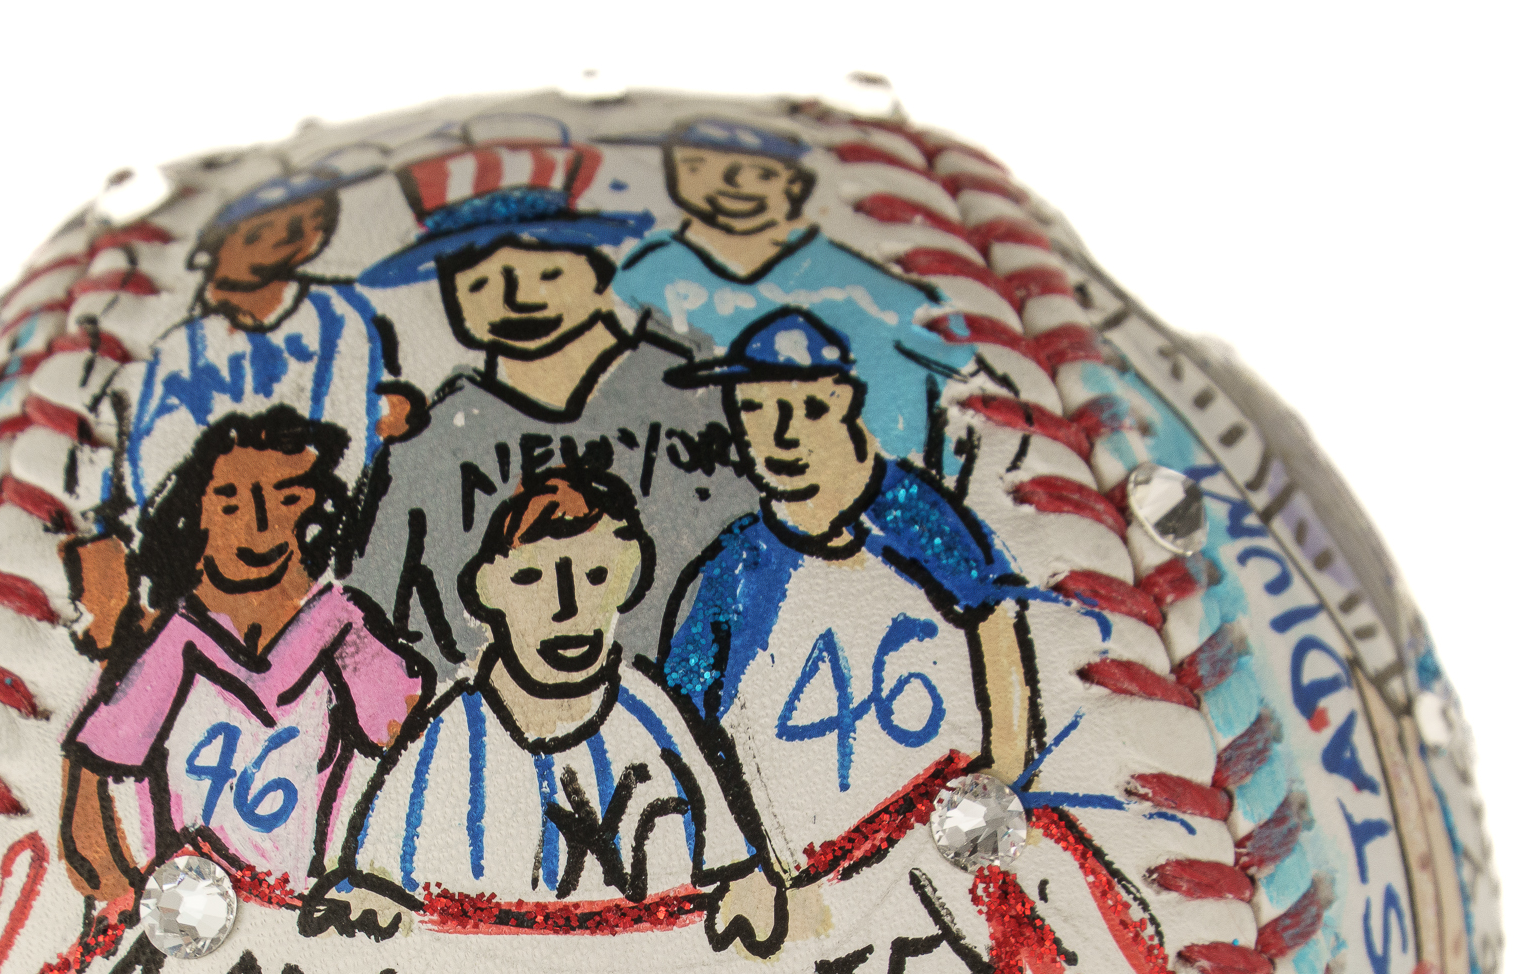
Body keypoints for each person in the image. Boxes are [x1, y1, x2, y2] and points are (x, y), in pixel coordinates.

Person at [309, 468, 775, 951]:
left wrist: (746, 893)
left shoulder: (652, 719)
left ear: (626, 576)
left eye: (595, 575)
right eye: (531, 578)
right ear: (487, 590)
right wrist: (371, 904)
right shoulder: (450, 738)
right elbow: (375, 882)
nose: (567, 607)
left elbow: (735, 867)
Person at [339, 134, 751, 673]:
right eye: (481, 283)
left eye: (546, 273)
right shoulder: (432, 444)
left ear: (601, 272)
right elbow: (372, 616)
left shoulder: (695, 393)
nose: (516, 298)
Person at [660, 312, 1034, 906]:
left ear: (842, 400)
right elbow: (680, 719)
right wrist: (748, 870)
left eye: (804, 408)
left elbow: (994, 621)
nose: (780, 435)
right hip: (815, 888)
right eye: (755, 410)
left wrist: (1003, 769)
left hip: (943, 854)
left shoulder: (909, 514)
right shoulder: (736, 569)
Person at [61, 408, 430, 897]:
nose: (260, 525)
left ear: (319, 510)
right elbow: (91, 791)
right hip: (192, 906)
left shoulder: (338, 622)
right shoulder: (174, 641)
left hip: (315, 911)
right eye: (230, 504)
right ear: (195, 515)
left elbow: (409, 748)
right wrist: (132, 901)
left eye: (287, 499)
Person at [72, 163, 422, 653]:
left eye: (301, 227)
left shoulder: (339, 319)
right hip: (183, 562)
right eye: (263, 227)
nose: (282, 239)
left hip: (315, 550)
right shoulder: (173, 348)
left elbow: (358, 449)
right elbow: (125, 476)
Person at [611, 118, 979, 462]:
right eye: (697, 167)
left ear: (796, 183)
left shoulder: (881, 296)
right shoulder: (645, 268)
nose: (729, 183)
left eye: (761, 173)